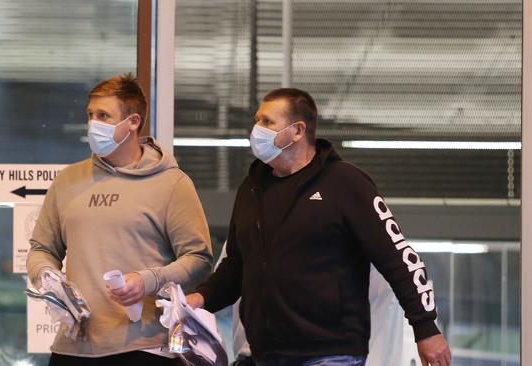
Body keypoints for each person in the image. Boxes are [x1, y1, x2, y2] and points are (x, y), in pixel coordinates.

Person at [185, 88, 452, 366]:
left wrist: (426, 328)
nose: (256, 130)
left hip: (330, 353)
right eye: (257, 121)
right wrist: (200, 298)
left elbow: (398, 258)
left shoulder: (345, 183)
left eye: (267, 122)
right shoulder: (251, 189)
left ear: (298, 130)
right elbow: (236, 267)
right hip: (265, 354)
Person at [27, 73, 214, 366]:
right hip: (73, 347)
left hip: (146, 347)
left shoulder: (171, 183)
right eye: (90, 115)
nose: (93, 125)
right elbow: (42, 248)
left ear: (133, 122)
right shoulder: (68, 180)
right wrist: (47, 276)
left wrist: (146, 281)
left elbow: (199, 259)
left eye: (104, 115)